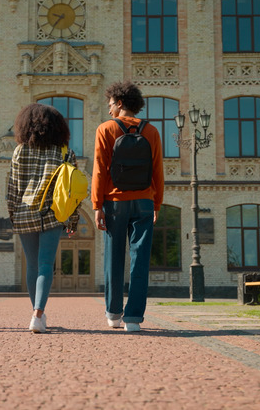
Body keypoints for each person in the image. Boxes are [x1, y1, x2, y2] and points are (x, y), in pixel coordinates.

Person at [92, 81, 164, 332]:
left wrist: (96, 205)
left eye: (111, 104)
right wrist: (156, 202)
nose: (109, 109)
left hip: (114, 202)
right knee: (140, 259)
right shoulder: (152, 131)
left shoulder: (106, 129)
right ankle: (133, 319)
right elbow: (157, 171)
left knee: (113, 258)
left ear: (120, 103)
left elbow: (100, 170)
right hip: (144, 201)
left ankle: (113, 314)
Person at [7, 103, 80, 333]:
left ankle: (36, 314)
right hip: (53, 213)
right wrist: (73, 220)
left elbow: (13, 187)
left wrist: (12, 214)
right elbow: (72, 191)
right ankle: (38, 314)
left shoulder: (19, 150)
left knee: (32, 265)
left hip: (25, 213)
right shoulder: (65, 152)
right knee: (46, 264)